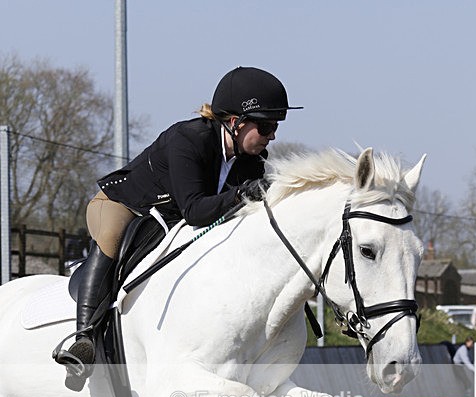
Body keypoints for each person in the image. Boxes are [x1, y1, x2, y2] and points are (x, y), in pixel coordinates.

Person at [56, 66, 302, 371]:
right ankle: (83, 339)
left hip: (171, 221)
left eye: (275, 126)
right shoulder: (188, 139)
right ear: (236, 123)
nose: (273, 135)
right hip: (126, 207)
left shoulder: (251, 164)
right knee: (111, 237)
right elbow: (196, 212)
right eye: (266, 127)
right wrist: (241, 195)